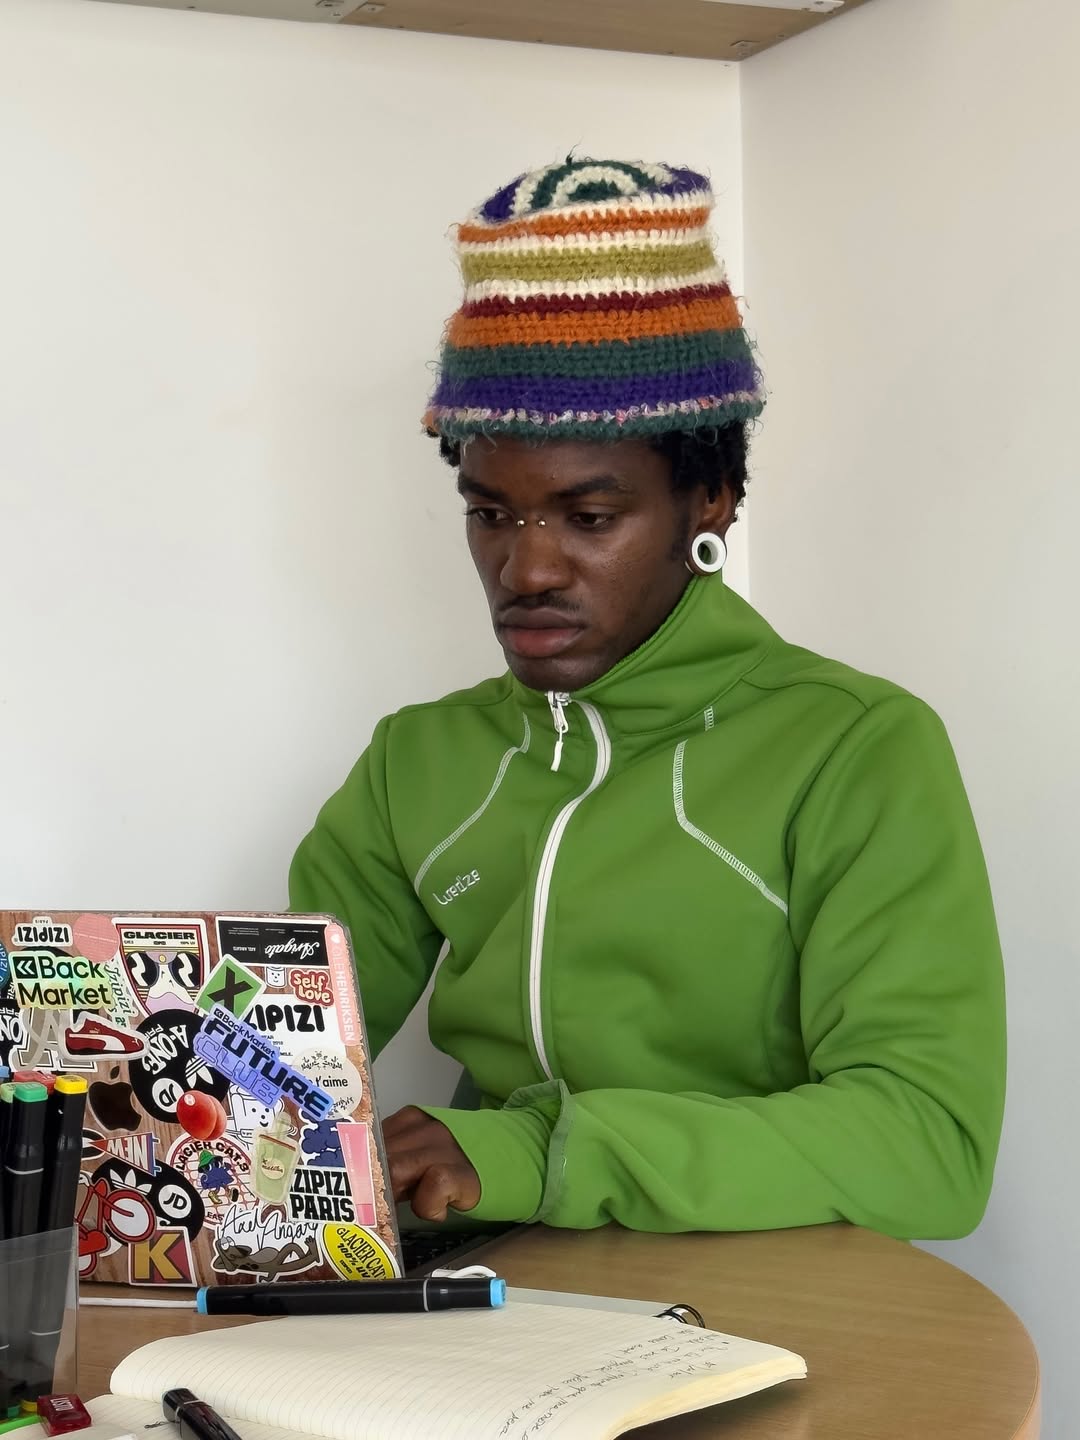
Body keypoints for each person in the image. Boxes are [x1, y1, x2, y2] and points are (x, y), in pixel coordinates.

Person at [289, 158, 1006, 1239]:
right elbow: (274, 1056)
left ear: (710, 499)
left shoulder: (855, 747)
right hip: (499, 1287)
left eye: (589, 518)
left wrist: (532, 1153)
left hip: (771, 1287)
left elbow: (928, 1145)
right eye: (491, 513)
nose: (526, 568)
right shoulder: (419, 760)